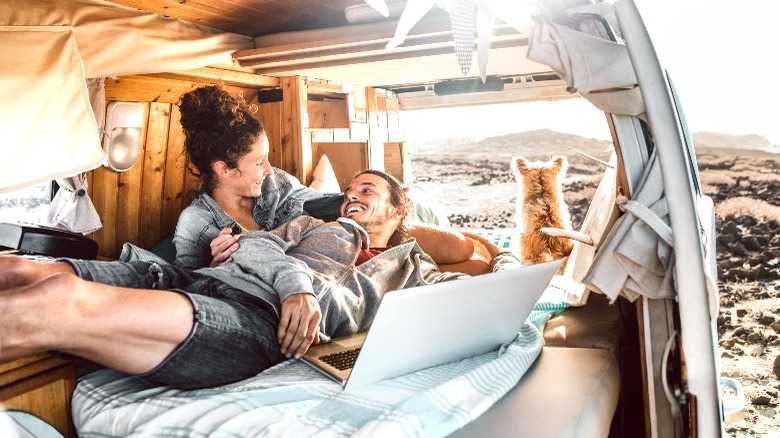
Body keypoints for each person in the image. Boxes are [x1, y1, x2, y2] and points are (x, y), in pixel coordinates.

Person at [0, 170, 514, 390]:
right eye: (352, 187)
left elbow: (488, 281)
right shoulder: (315, 223)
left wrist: (504, 261)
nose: (354, 194)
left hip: (252, 319)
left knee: (58, 297)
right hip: (195, 276)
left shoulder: (412, 269)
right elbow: (257, 241)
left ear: (400, 208)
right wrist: (297, 285)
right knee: (20, 268)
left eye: (370, 189)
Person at [171, 85, 481, 269]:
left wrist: (382, 199)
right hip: (298, 292)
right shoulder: (196, 225)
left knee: (472, 257)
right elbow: (188, 291)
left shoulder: (275, 184)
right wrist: (214, 268)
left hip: (335, 265)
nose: (268, 169)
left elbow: (327, 202)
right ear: (223, 169)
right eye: (260, 162)